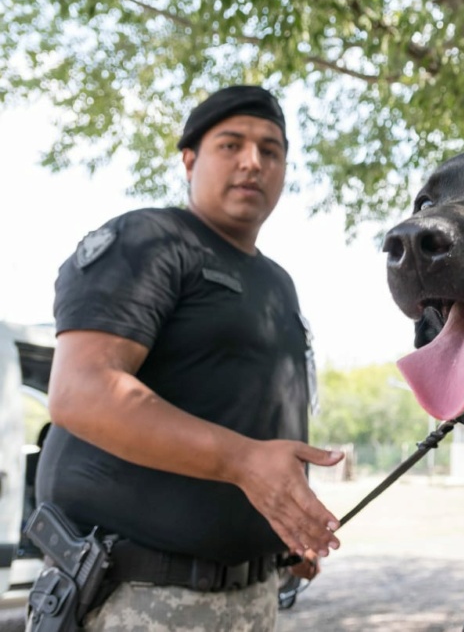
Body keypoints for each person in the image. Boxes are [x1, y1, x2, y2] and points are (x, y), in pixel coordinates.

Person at [30, 85, 343, 631]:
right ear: (189, 160)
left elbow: (256, 421)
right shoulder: (148, 239)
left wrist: (284, 527)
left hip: (253, 599)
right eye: (231, 145)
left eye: (271, 151)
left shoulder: (278, 284)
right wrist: (245, 462)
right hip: (134, 598)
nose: (253, 162)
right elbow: (80, 392)